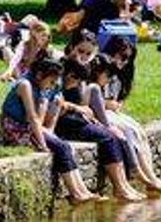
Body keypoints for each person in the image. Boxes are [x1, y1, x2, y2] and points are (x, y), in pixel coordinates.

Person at [0, 57, 97, 203]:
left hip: (28, 127)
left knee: (65, 145)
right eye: (51, 82)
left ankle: (83, 190)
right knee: (61, 146)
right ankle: (75, 194)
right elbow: (32, 117)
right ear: (39, 75)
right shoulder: (25, 85)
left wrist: (48, 129)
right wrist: (43, 144)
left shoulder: (41, 86)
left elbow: (43, 113)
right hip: (15, 128)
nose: (53, 86)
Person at [53, 59, 146, 201]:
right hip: (66, 125)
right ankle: (119, 187)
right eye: (77, 81)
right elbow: (58, 105)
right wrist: (76, 107)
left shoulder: (73, 84)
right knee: (106, 138)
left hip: (78, 121)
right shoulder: (57, 85)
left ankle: (124, 185)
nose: (78, 85)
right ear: (70, 76)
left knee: (112, 135)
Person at [86, 54, 161, 193]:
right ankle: (137, 171)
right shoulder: (91, 85)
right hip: (100, 117)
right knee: (126, 131)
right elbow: (95, 106)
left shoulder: (99, 85)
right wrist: (107, 106)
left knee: (138, 131)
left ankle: (151, 175)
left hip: (107, 114)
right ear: (98, 72)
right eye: (107, 75)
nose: (108, 79)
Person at [1, 16, 52, 81]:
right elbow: (16, 58)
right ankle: (17, 77)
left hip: (35, 73)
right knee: (7, 51)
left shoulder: (48, 48)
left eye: (47, 36)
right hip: (21, 70)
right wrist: (9, 71)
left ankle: (18, 79)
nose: (45, 38)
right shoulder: (25, 44)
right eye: (43, 35)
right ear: (34, 34)